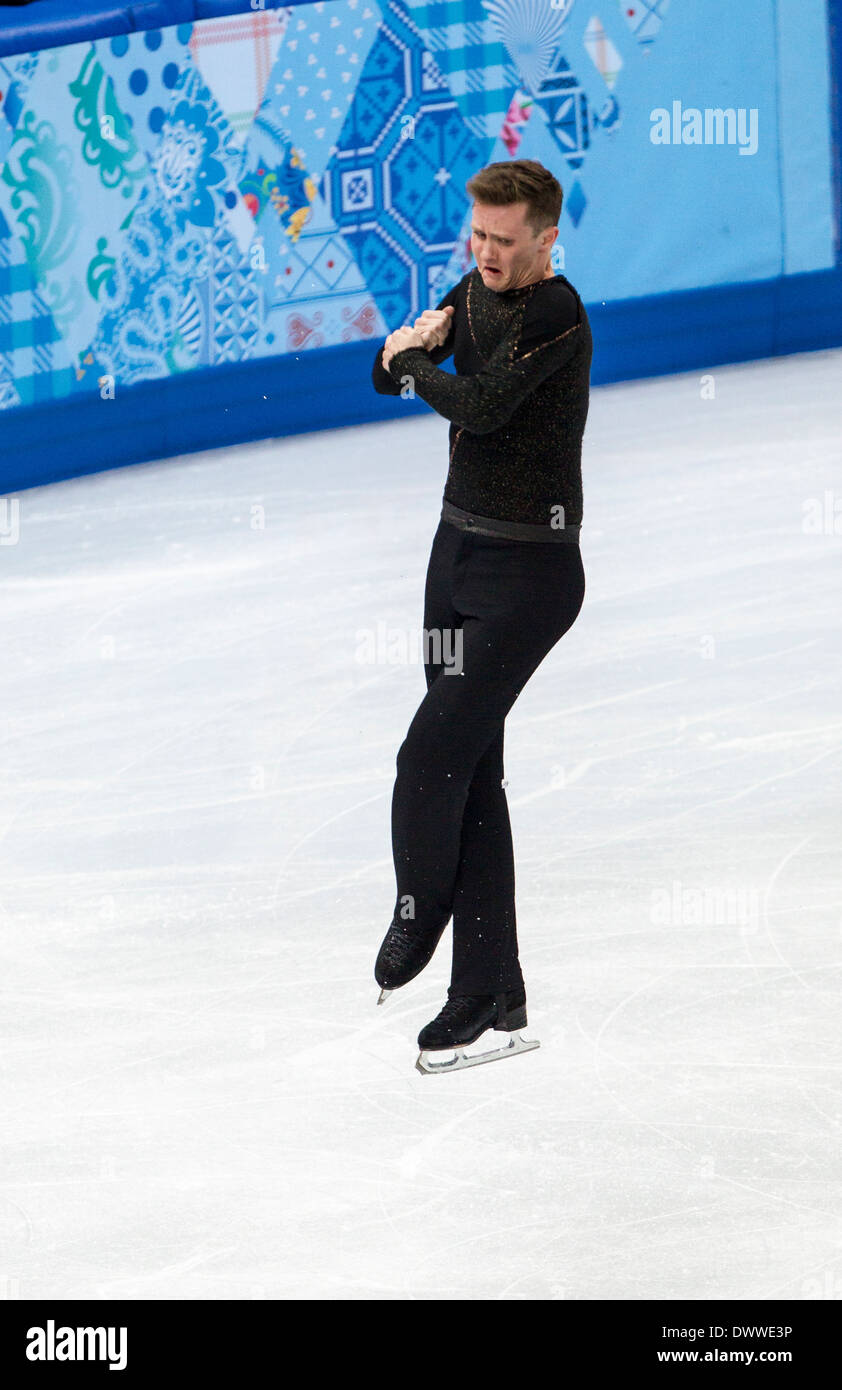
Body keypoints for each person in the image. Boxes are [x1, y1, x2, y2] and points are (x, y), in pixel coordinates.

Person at [371, 158, 592, 1071]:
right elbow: (387, 380)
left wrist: (414, 358)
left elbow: (484, 407)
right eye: (479, 236)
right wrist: (405, 350)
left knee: (428, 755)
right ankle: (490, 991)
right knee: (470, 770)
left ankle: (418, 919)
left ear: (546, 238)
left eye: (506, 240)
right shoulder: (473, 289)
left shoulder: (556, 317)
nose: (488, 254)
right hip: (451, 562)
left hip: (527, 576)